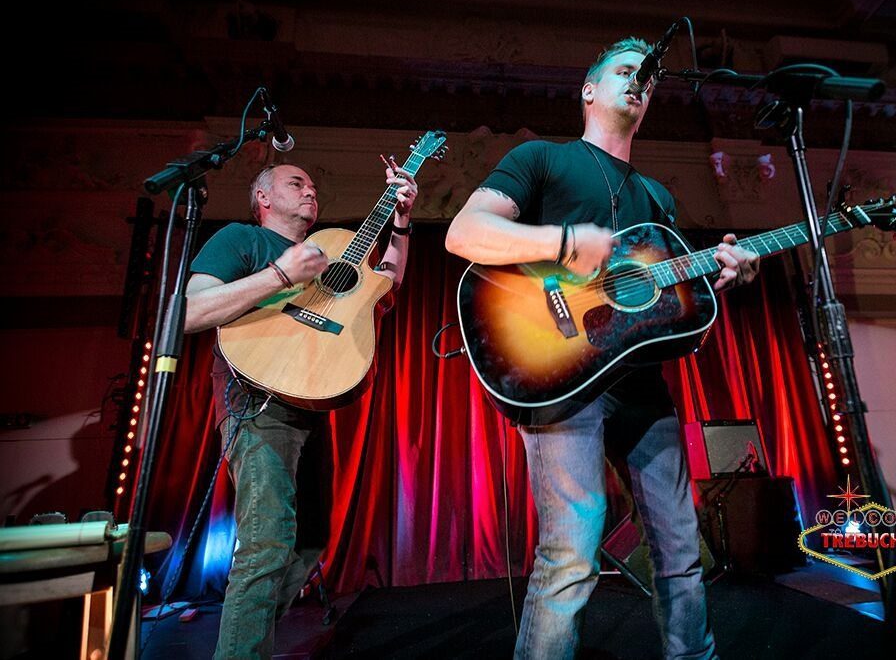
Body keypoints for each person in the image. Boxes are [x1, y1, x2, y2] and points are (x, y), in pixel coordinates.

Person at [445, 37, 760, 659]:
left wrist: (727, 274)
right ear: (589, 89)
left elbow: (671, 313)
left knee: (681, 548)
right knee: (571, 553)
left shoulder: (659, 200)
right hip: (557, 377)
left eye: (648, 77)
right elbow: (464, 232)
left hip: (641, 387)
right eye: (624, 69)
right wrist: (563, 242)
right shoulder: (542, 158)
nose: (639, 80)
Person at [184, 160, 418, 658]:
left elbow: (384, 285)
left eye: (313, 184)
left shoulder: (331, 249)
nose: (311, 190)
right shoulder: (240, 239)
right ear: (264, 198)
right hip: (256, 399)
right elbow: (190, 312)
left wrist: (399, 221)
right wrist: (278, 275)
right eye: (297, 183)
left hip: (312, 398)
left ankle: (248, 644)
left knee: (309, 540)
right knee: (266, 543)